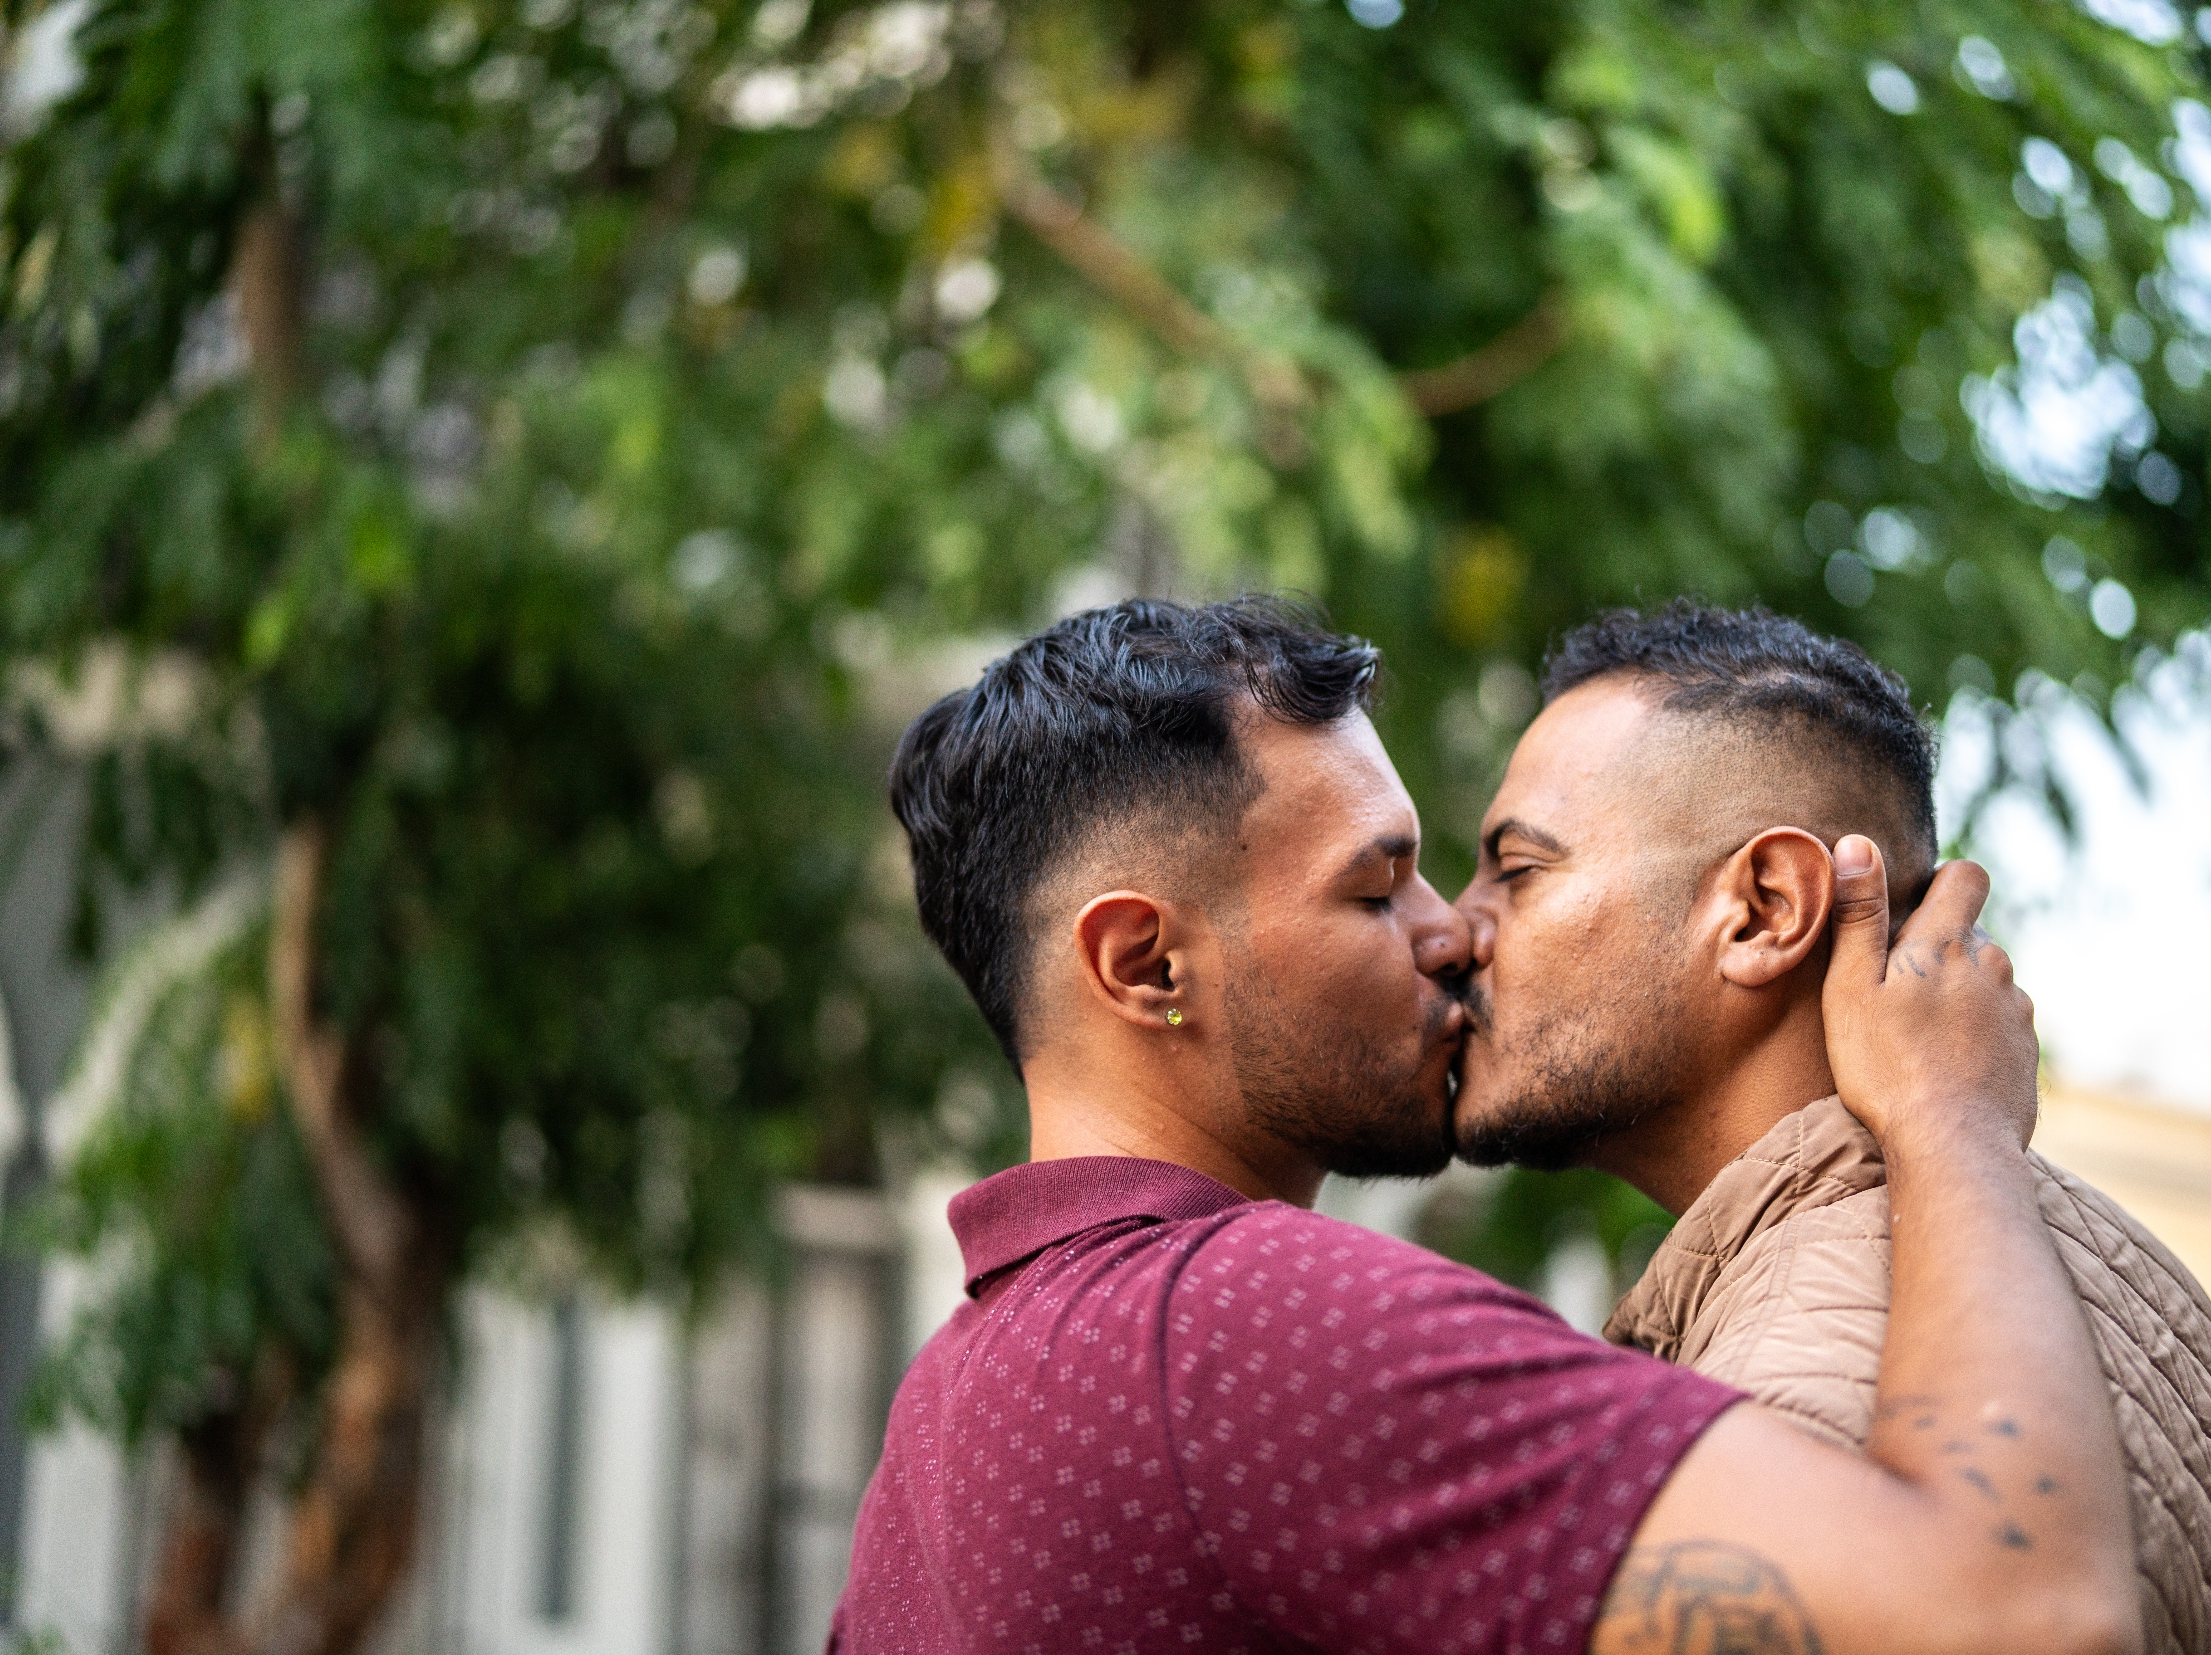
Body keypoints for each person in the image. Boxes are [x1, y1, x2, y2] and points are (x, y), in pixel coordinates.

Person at [832, 595, 2140, 1655]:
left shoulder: (937, 1417)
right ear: (1145, 962)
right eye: (1374, 886)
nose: (1450, 929)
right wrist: (1951, 1119)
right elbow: (2018, 1617)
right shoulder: (1242, 1325)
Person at [1451, 600, 2211, 1655]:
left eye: (1517, 868)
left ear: (1765, 909)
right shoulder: (2086, 1244)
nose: (1456, 927)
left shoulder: (1796, 1412)